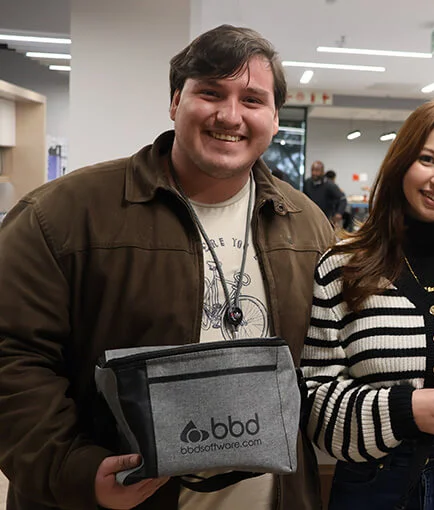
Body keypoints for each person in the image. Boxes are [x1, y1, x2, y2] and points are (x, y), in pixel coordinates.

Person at [0, 25, 332, 510]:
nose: (230, 115)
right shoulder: (64, 215)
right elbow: (12, 355)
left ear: (275, 118)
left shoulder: (307, 227)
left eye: (252, 100)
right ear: (176, 102)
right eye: (211, 93)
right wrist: (76, 469)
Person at [301, 98, 434, 510]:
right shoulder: (343, 266)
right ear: (401, 162)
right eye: (428, 159)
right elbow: (312, 399)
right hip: (372, 480)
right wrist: (401, 411)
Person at [304, 160, 346, 225]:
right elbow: (303, 198)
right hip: (311, 218)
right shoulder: (307, 183)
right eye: (312, 170)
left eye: (317, 170)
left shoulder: (330, 185)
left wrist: (339, 213)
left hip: (326, 219)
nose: (314, 173)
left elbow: (342, 199)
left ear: (323, 172)